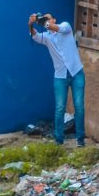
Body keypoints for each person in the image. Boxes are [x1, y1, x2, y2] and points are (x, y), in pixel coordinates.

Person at [28, 12, 85, 147]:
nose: (46, 22)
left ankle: (80, 139)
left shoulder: (65, 27)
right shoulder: (47, 37)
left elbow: (55, 27)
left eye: (49, 19)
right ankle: (59, 140)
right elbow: (34, 35)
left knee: (79, 106)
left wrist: (41, 21)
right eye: (45, 20)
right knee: (60, 108)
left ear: (54, 20)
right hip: (60, 75)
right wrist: (30, 24)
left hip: (76, 73)